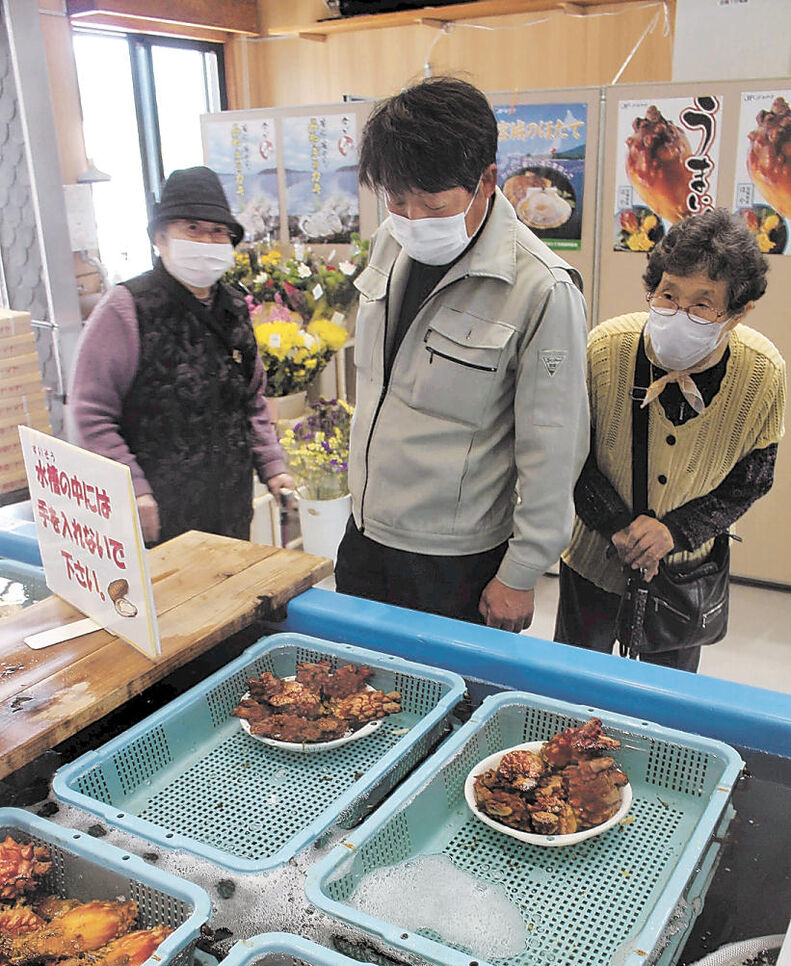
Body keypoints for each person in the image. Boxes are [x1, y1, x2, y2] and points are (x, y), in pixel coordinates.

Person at [334, 77, 589, 633]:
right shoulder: (390, 242)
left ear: (487, 181)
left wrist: (521, 573)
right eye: (397, 201)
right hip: (366, 531)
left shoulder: (541, 287)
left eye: (433, 204)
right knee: (358, 696)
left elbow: (555, 444)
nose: (413, 220)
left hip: (453, 559)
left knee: (447, 709)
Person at [555, 207, 786, 672]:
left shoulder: (763, 373)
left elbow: (752, 478)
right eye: (667, 296)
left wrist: (674, 534)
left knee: (666, 702)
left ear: (738, 312)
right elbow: (567, 453)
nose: (680, 314)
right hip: (593, 557)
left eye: (702, 305)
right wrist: (617, 525)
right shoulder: (606, 349)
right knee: (572, 685)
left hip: (684, 574)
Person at [69, 166, 292, 545]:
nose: (207, 240)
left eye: (218, 231)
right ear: (160, 236)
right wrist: (133, 487)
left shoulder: (234, 307)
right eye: (192, 227)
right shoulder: (127, 307)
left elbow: (251, 401)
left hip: (229, 507)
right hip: (153, 513)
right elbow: (89, 413)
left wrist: (273, 467)